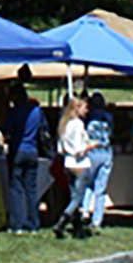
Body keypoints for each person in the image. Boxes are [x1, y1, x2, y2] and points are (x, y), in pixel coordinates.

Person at [1, 75, 46, 232]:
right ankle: (34, 222)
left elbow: (7, 130)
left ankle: (17, 223)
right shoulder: (37, 111)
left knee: (16, 188)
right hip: (33, 150)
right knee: (31, 189)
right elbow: (43, 129)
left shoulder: (14, 112)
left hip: (18, 150)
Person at [53, 95, 94, 237]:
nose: (87, 111)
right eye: (85, 108)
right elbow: (78, 149)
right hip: (80, 163)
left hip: (68, 162)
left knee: (73, 196)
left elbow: (60, 148)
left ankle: (77, 227)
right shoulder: (77, 124)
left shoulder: (64, 124)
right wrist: (89, 146)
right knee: (78, 198)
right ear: (77, 108)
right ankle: (62, 221)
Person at [81, 93, 115, 232]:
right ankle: (97, 219)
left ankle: (85, 210)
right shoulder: (108, 117)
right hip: (106, 152)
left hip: (91, 152)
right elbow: (111, 132)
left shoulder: (87, 117)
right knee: (101, 187)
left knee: (87, 183)